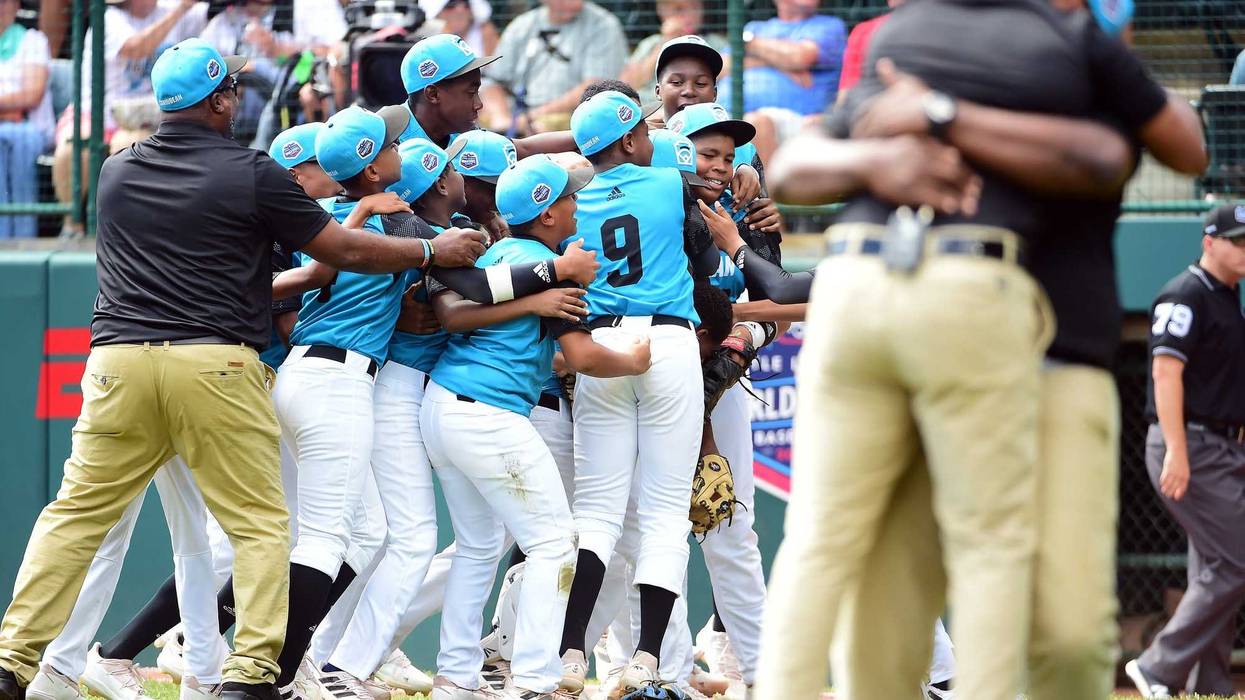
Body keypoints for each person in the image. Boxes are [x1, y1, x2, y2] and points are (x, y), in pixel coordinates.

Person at [0, 35, 485, 700]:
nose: (237, 95)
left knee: (74, 518)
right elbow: (339, 248)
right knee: (259, 525)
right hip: (214, 365)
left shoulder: (117, 169)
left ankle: (11, 658)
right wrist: (430, 250)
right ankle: (251, 675)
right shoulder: (250, 171)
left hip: (115, 364)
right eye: (231, 87)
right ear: (221, 99)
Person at [749, 0, 1179, 697]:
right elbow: (797, 165)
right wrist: (883, 150)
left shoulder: (1059, 43)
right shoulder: (913, 38)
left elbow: (1139, 151)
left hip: (1024, 334)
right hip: (958, 299)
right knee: (944, 566)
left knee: (826, 542)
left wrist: (941, 113)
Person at [423, 154, 651, 700]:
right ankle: (534, 680)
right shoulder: (550, 263)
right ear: (548, 214)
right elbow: (584, 355)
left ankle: (456, 674)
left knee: (479, 547)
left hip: (443, 407)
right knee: (553, 543)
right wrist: (636, 361)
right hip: (489, 413)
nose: (577, 204)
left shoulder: (504, 251)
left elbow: (541, 350)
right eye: (569, 197)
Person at [555, 90, 717, 697]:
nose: (649, 141)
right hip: (670, 342)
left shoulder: (577, 203)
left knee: (594, 513)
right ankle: (648, 657)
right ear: (627, 141)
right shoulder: (666, 184)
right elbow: (698, 177)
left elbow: (577, 162)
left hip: (602, 348)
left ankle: (572, 653)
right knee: (665, 516)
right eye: (639, 134)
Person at [1124, 204, 1245, 699]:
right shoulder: (1185, 292)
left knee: (1216, 565)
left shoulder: (1226, 297)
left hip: (1219, 444)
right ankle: (1157, 666)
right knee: (1236, 560)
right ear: (1209, 242)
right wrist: (1177, 449)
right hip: (1189, 442)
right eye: (1237, 240)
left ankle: (1210, 684)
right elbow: (1164, 372)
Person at [52, 0, 207, 237]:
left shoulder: (178, 9)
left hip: (143, 118)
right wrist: (181, 10)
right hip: (95, 113)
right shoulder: (108, 17)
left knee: (128, 149)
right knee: (72, 148)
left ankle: (124, 230)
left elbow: (215, 14)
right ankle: (72, 226)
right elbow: (136, 47)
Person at [717, 0, 844, 163]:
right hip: (728, 114)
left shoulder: (829, 26)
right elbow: (720, 67)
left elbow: (799, 57)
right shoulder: (754, 28)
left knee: (756, 123)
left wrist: (749, 43)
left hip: (800, 121)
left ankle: (761, 189)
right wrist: (780, 65)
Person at [480, 0, 628, 134]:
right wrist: (501, 117)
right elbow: (492, 81)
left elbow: (596, 87)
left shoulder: (603, 25)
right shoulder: (522, 25)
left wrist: (531, 117)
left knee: (547, 127)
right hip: (516, 114)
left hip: (574, 117)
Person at [0, 0, 53, 238]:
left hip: (29, 131)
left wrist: (12, 108)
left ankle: (19, 238)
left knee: (12, 136)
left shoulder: (33, 40)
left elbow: (31, 96)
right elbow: (14, 104)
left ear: (15, 5)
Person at [619, 0, 726, 100]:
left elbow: (732, 67)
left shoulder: (714, 42)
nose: (689, 15)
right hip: (649, 108)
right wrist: (666, 40)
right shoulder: (651, 43)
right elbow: (627, 85)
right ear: (661, 12)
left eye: (694, 7)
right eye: (679, 9)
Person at [419, 0, 498, 57]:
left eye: (466, 4)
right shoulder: (426, 37)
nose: (460, 10)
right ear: (437, 13)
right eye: (451, 5)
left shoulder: (485, 30)